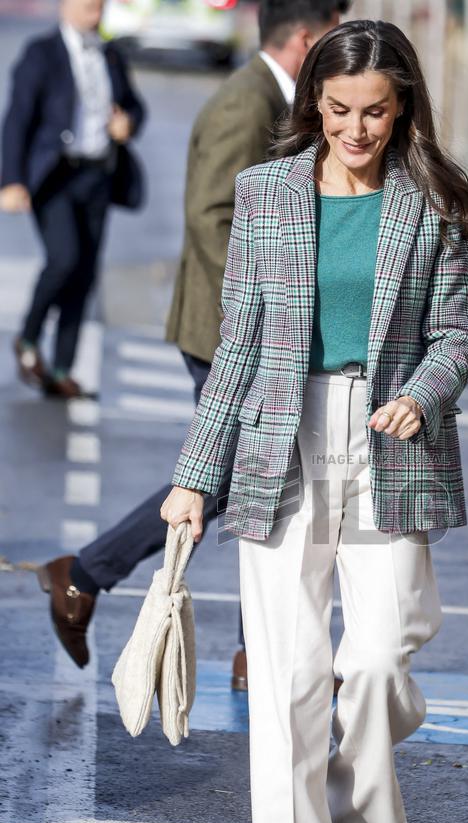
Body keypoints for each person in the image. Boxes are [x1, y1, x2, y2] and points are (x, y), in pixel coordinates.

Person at [160, 18, 468, 823]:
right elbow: (241, 348)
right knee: (292, 682)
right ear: (313, 105)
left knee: (381, 653)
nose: (354, 129)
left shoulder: (433, 199)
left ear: (403, 107)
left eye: (374, 111)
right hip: (278, 438)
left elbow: (456, 335)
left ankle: (358, 805)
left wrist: (421, 396)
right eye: (337, 110)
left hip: (388, 441)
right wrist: (192, 476)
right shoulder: (265, 193)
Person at [35, 0, 349, 686]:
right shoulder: (247, 102)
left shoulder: (277, 93)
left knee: (261, 478)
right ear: (304, 36)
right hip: (229, 327)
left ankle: (249, 650)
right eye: (332, 35)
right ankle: (86, 573)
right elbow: (213, 219)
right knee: (233, 470)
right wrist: (266, 314)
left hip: (244, 324)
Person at [0, 0, 146, 399]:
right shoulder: (41, 53)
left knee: (84, 274)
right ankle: (28, 338)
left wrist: (127, 123)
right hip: (55, 177)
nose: (95, 13)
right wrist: (11, 180)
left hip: (97, 174)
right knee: (63, 259)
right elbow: (17, 119)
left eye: (100, 7)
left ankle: (62, 368)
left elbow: (135, 106)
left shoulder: (111, 54)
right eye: (88, 6)